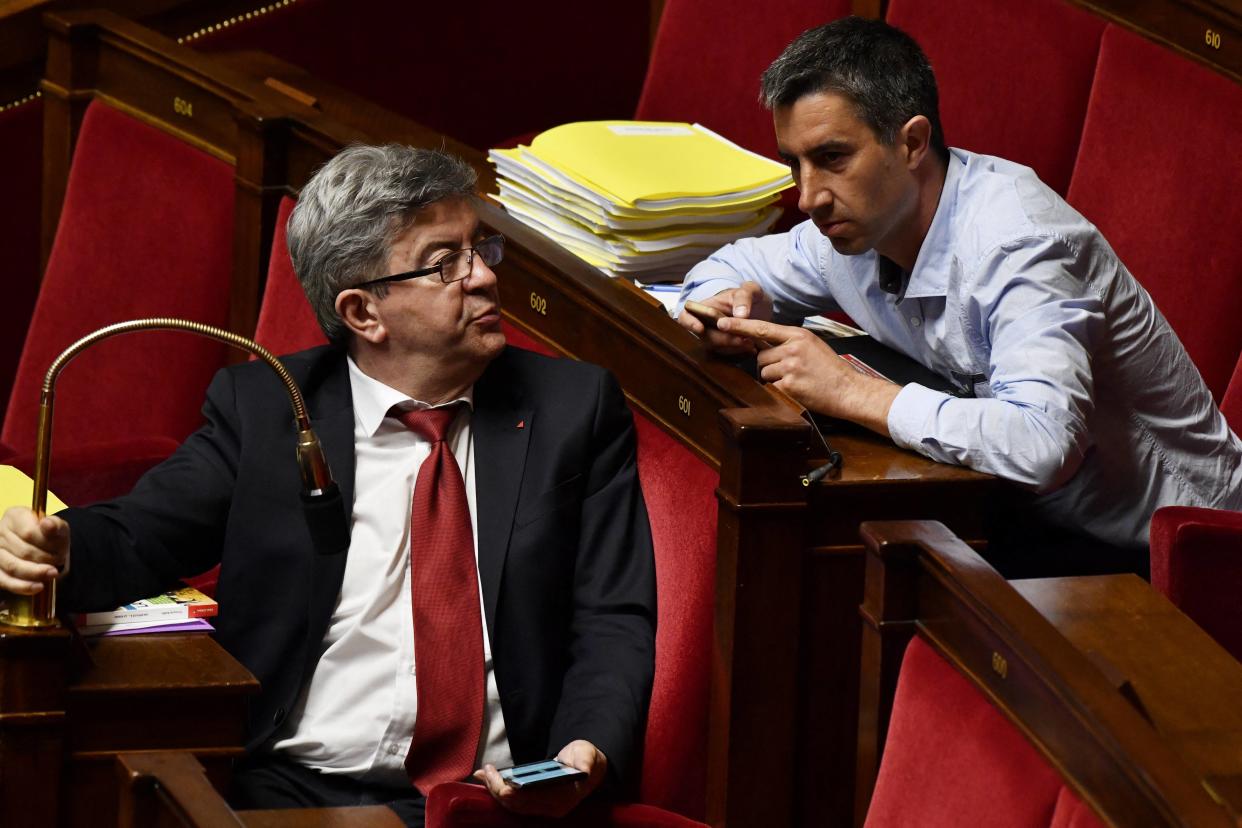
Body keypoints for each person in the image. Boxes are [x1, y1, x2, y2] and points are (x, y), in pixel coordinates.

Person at [0, 144, 656, 825]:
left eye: (480, 249)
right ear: (362, 313)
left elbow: (612, 615)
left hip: (502, 797)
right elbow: (141, 535)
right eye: (444, 264)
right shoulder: (268, 409)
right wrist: (55, 546)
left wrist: (584, 752)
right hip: (296, 787)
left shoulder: (573, 410)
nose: (483, 278)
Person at [677, 17, 1242, 572]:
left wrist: (852, 392)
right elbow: (723, 267)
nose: (808, 197)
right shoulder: (854, 227)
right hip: (1013, 514)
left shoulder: (1020, 245)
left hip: (1176, 558)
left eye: (831, 159)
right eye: (794, 164)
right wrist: (728, 305)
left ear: (913, 143)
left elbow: (1044, 444)